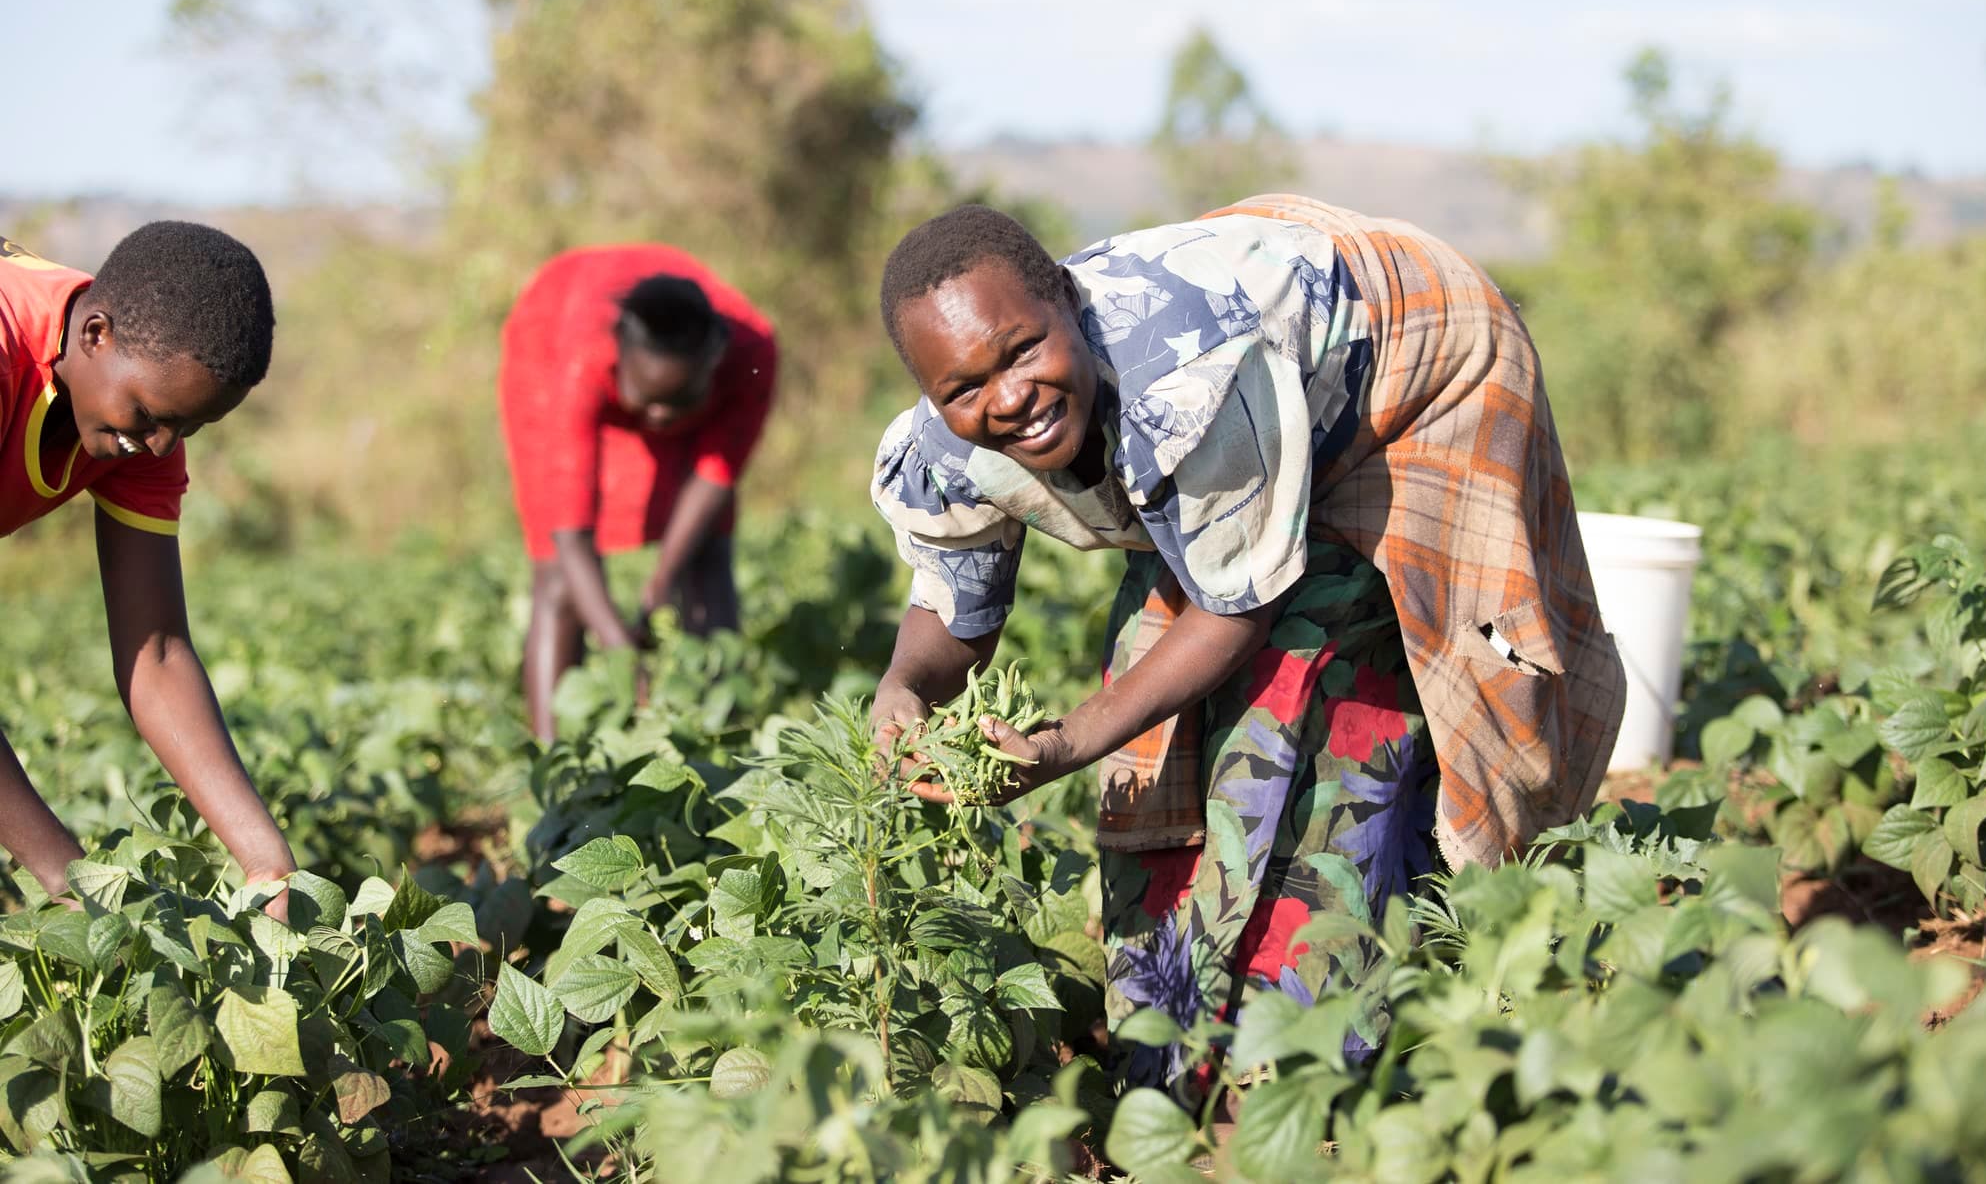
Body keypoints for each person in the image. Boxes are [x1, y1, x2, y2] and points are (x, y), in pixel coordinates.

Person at [868, 196, 1624, 1092]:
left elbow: (1236, 611)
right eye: (962, 388)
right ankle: (1168, 1051)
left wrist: (1065, 742)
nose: (1008, 397)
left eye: (1024, 350)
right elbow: (955, 614)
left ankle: (1304, 1060)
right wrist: (905, 687)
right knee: (1156, 713)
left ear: (1068, 301)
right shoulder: (949, 444)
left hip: (1416, 364)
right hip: (1246, 402)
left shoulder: (1187, 375)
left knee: (1332, 692)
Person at [0, 225, 296, 910]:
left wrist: (264, 858)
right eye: (152, 415)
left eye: (186, 427)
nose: (160, 444)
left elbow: (156, 652)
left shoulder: (141, 427)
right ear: (96, 334)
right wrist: (70, 880)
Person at [499, 245, 778, 742]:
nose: (660, 421)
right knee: (558, 576)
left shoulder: (752, 351)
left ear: (713, 364)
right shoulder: (578, 358)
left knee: (709, 555)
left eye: (679, 402)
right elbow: (569, 532)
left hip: (685, 371)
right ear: (619, 356)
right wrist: (620, 649)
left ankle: (718, 742)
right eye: (645, 401)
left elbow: (714, 476)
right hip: (552, 340)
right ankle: (553, 766)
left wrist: (662, 581)